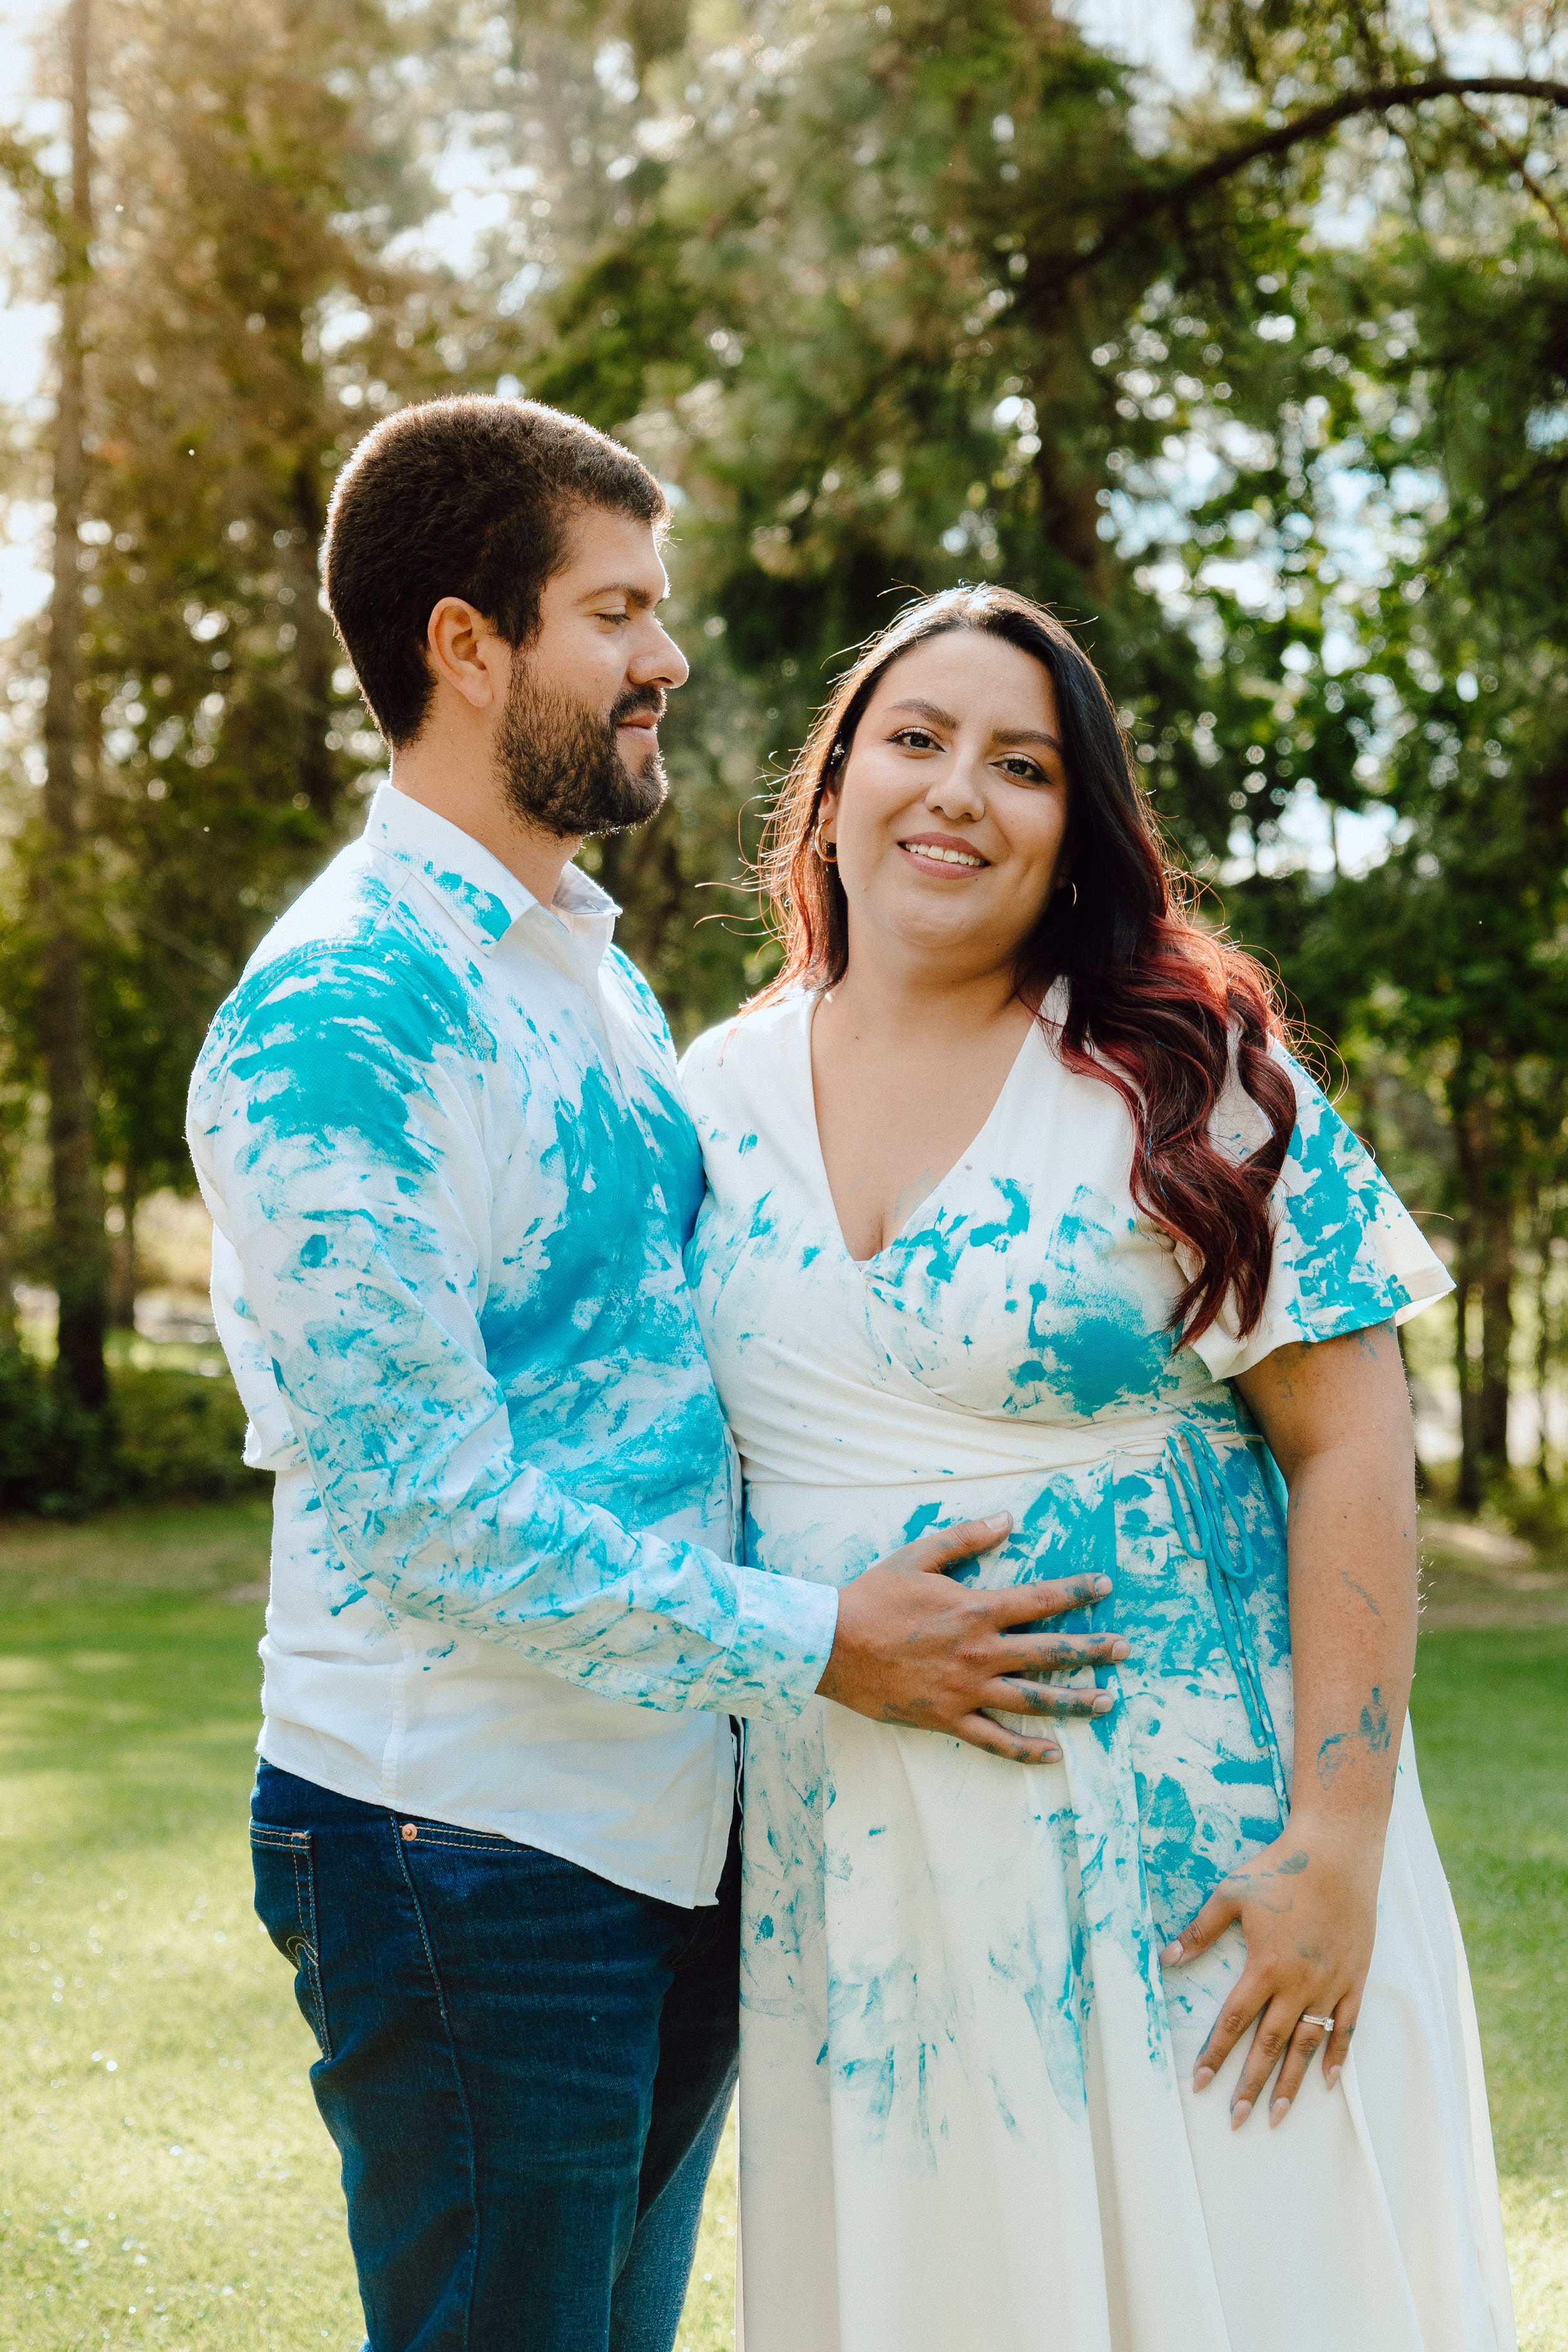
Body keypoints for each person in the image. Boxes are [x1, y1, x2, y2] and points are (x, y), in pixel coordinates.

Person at [185, 403, 1122, 2352]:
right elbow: (420, 1505)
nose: (668, 657)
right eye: (617, 611)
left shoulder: (586, 975)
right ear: (467, 645)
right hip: (462, 1842)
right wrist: (816, 1641)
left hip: (655, 1818)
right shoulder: (338, 1008)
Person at [681, 584, 1516, 2352]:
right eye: (912, 741)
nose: (954, 793)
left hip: (1198, 1869)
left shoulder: (1178, 1071)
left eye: (1022, 764)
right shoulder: (704, 1097)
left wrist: (1338, 1841)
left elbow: (1351, 1432)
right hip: (862, 1874)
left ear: (1077, 834)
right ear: (829, 795)